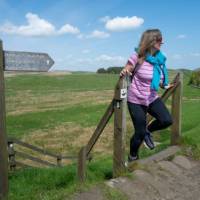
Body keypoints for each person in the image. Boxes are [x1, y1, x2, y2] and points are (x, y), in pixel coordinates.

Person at [120, 29, 174, 162]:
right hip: (136, 99)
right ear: (151, 41)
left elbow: (157, 79)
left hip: (151, 97)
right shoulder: (137, 57)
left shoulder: (159, 60)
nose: (162, 43)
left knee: (167, 120)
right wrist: (124, 72)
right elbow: (127, 69)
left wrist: (164, 85)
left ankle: (147, 131)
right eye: (159, 40)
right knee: (139, 132)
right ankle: (133, 156)